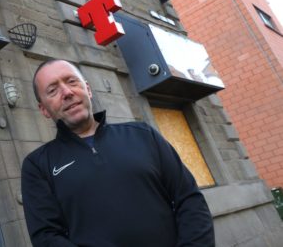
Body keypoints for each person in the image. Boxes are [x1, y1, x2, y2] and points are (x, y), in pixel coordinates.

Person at [21, 59, 214, 247]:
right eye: (53, 90)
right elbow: (46, 236)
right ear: (44, 109)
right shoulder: (37, 165)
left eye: (72, 81)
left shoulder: (143, 135)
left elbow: (188, 198)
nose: (67, 92)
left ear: (87, 89)